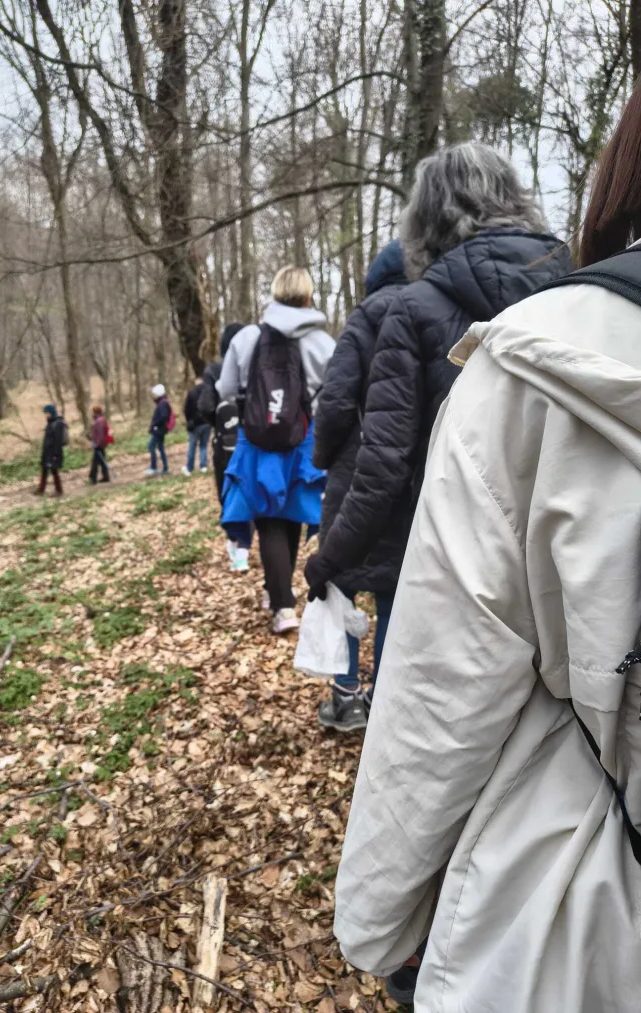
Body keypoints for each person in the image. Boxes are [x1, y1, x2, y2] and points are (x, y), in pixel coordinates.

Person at [333, 98, 641, 1012]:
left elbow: (442, 693)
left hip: (587, 885)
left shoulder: (460, 326)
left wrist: (382, 923)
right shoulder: (558, 290)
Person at [305, 141, 572, 728]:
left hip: (462, 558)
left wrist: (331, 558)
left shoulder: (413, 309)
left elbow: (384, 460)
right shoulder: (576, 288)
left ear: (424, 218)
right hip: (569, 555)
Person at [313, 240, 407, 733]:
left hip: (354, 476)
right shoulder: (431, 314)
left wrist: (323, 457)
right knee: (394, 590)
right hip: (410, 480)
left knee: (344, 586)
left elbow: (333, 403)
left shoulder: (361, 323)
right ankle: (385, 698)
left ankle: (346, 696)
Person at [218, 265, 335, 633]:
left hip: (256, 440)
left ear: (274, 293)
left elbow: (224, 389)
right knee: (292, 514)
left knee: (268, 517)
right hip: (304, 441)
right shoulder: (323, 343)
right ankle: (280, 593)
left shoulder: (247, 337)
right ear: (307, 296)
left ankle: (282, 604)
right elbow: (335, 393)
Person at [199, 322, 253, 572]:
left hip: (223, 444)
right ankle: (243, 546)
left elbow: (205, 406)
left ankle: (234, 542)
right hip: (250, 440)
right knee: (248, 491)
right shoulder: (254, 366)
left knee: (226, 492)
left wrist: (219, 424)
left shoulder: (214, 371)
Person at [34, 404, 66, 497]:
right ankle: (41, 489)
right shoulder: (50, 423)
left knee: (54, 471)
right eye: (45, 413)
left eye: (47, 413)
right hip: (47, 452)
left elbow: (57, 441)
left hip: (53, 453)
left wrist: (55, 454)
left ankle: (59, 490)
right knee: (44, 470)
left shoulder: (57, 424)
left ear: (52, 412)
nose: (46, 415)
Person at [182, 377, 211, 475]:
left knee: (192, 446)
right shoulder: (207, 392)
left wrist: (189, 420)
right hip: (206, 423)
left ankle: (189, 468)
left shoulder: (191, 392)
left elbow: (186, 409)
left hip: (194, 424)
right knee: (203, 445)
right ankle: (203, 466)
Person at [145, 383, 171, 477]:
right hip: (160, 429)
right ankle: (165, 467)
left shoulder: (163, 403)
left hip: (159, 430)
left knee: (151, 446)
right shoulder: (162, 402)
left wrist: (155, 424)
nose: (153, 396)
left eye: (155, 394)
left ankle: (154, 467)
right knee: (160, 448)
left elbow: (164, 417)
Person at [89, 403, 111, 485]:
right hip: (99, 444)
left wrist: (97, 444)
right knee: (102, 461)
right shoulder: (99, 420)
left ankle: (92, 478)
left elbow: (100, 434)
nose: (92, 413)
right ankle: (106, 476)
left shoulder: (99, 421)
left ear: (96, 412)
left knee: (95, 461)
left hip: (99, 444)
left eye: (93, 411)